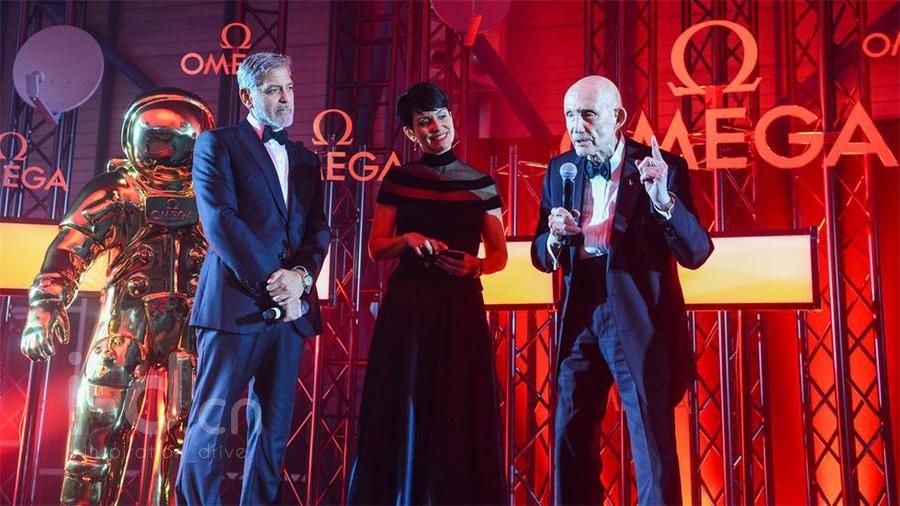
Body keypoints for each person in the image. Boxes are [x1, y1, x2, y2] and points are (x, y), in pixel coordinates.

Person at [531, 76, 713, 505]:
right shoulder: (560, 170)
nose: (577, 126)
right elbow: (540, 254)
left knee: (650, 436)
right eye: (570, 115)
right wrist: (554, 239)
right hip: (581, 312)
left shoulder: (660, 166)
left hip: (637, 314)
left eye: (588, 115)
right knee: (569, 429)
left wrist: (663, 201)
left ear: (617, 117)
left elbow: (697, 252)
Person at [176, 52, 330, 505]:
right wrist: (274, 281)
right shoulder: (218, 144)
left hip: (291, 314)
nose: (285, 98)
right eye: (273, 89)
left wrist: (300, 279)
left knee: (273, 433)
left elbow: (318, 231)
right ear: (247, 96)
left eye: (289, 88)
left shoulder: (306, 160)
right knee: (210, 424)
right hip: (234, 308)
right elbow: (220, 222)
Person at [347, 82, 508, 505]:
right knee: (406, 402)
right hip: (410, 307)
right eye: (424, 122)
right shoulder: (399, 179)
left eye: (441, 117)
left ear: (452, 118)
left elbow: (499, 256)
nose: (436, 127)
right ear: (411, 133)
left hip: (461, 307)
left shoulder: (482, 183)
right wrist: (407, 239)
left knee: (457, 404)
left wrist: (476, 266)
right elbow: (377, 248)